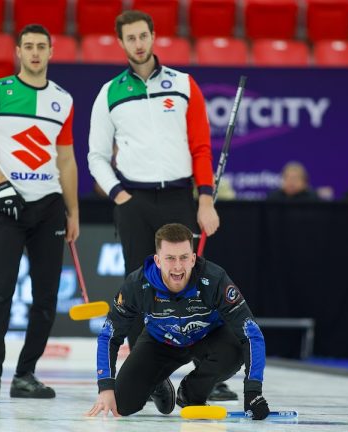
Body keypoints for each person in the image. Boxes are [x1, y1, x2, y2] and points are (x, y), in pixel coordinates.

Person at [87, 10, 235, 402]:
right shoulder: (109, 92)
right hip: (133, 199)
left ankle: (206, 370)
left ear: (153, 37)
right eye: (129, 38)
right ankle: (150, 375)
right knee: (141, 288)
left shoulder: (184, 84)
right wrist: (119, 194)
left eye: (143, 36)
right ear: (121, 43)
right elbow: (95, 156)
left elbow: (201, 147)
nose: (137, 43)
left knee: (193, 281)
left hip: (178, 197)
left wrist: (205, 200)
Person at [0, 24, 79, 400]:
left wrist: (72, 211)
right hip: (7, 205)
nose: (34, 53)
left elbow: (66, 160)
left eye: (40, 47)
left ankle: (26, 374)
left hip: (49, 208)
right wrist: (3, 185)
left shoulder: (63, 99)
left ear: (50, 52)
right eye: (27, 46)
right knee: (1, 291)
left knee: (46, 298)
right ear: (17, 51)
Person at [86, 223, 271, 419]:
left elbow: (251, 333)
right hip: (160, 342)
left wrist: (253, 392)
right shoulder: (137, 285)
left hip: (208, 337)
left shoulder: (214, 279)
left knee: (234, 351)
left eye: (183, 258)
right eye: (170, 258)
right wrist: (105, 386)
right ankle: (157, 382)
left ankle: (191, 394)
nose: (177, 266)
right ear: (157, 260)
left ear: (193, 259)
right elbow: (109, 336)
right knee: (121, 405)